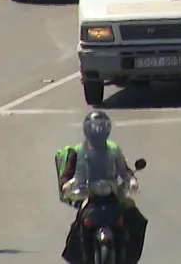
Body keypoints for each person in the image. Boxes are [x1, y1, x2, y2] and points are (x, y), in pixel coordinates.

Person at [57, 111, 147, 264]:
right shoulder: (78, 151)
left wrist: (131, 180)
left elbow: (124, 169)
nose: (97, 132)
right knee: (78, 227)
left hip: (113, 193)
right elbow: (67, 174)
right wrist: (66, 185)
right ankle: (82, 258)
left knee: (136, 218)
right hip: (88, 195)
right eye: (94, 129)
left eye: (101, 129)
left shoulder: (113, 149)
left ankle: (129, 258)